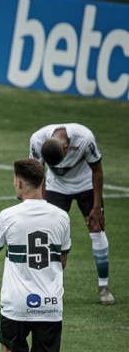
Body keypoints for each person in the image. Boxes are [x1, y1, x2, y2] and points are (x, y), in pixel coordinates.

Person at [0, 158, 71, 352]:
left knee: (10, 351)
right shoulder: (62, 217)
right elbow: (62, 261)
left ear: (19, 182)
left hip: (17, 303)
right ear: (43, 182)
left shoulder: (7, 216)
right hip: (50, 302)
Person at [28, 123, 113, 304]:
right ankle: (46, 288)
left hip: (86, 185)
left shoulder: (85, 138)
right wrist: (40, 204)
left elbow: (97, 170)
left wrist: (97, 206)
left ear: (66, 147)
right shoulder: (37, 140)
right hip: (56, 187)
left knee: (97, 230)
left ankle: (103, 286)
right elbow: (38, 174)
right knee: (48, 235)